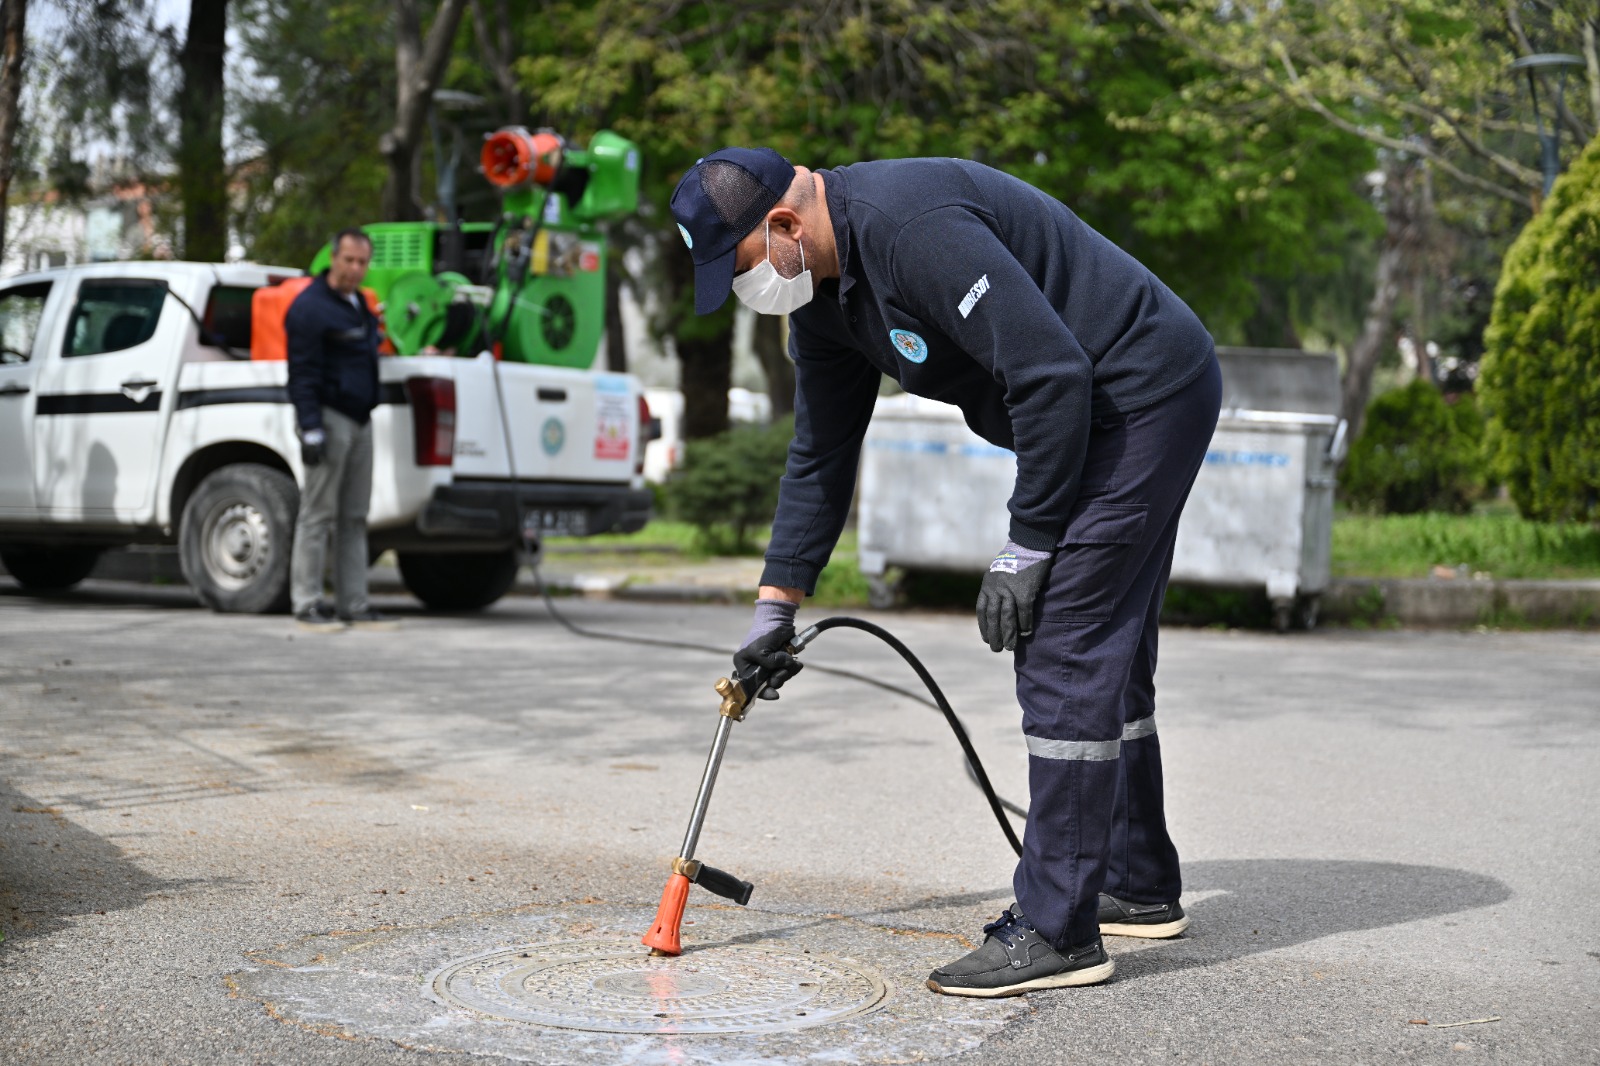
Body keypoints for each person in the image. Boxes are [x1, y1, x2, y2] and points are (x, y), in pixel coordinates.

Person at [671, 148, 1221, 997]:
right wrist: (774, 608)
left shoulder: (910, 229)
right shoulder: (822, 301)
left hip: (1140, 395)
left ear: (783, 225)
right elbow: (819, 455)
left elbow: (1049, 372)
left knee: (1066, 642)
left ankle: (1057, 929)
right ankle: (1134, 882)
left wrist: (1026, 546)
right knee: (1108, 650)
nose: (748, 290)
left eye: (741, 268)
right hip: (1092, 409)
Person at [285, 228, 398, 632]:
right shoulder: (310, 308)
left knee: (354, 516)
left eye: (362, 262)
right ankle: (307, 602)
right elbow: (302, 374)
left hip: (361, 419)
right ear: (333, 259)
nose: (355, 269)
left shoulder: (360, 306)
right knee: (317, 514)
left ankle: (354, 603)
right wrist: (310, 428)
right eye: (349, 260)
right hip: (329, 418)